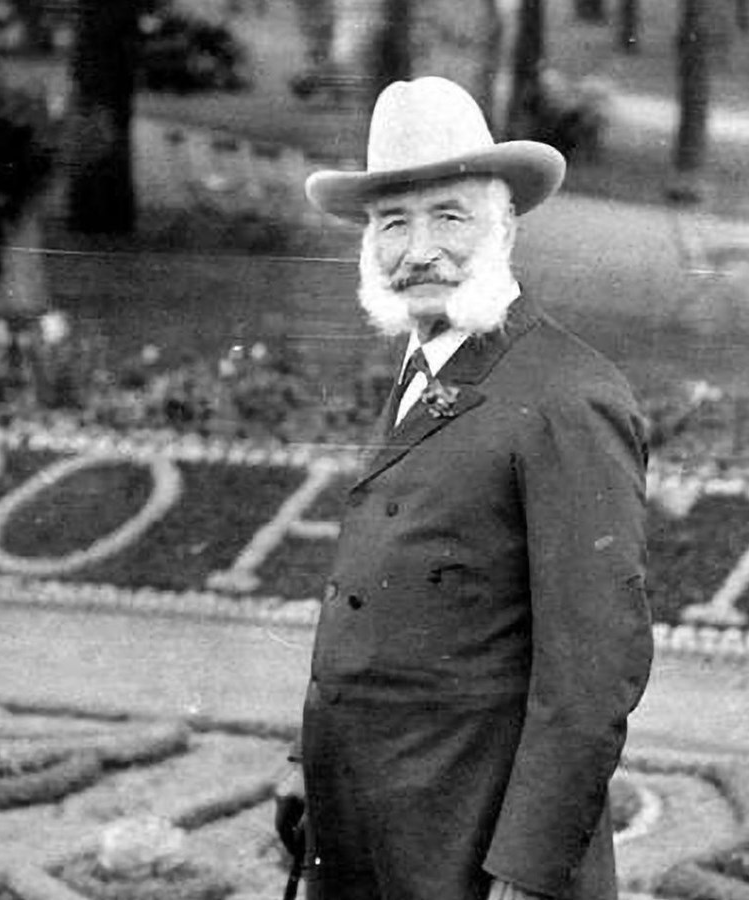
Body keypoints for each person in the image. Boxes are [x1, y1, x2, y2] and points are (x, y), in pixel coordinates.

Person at [274, 76, 655, 900]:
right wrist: (309, 766)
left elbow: (593, 671)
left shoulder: (567, 395)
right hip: (366, 827)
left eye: (449, 216)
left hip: (473, 848)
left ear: (506, 224)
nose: (419, 251)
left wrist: (530, 870)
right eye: (392, 223)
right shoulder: (423, 370)